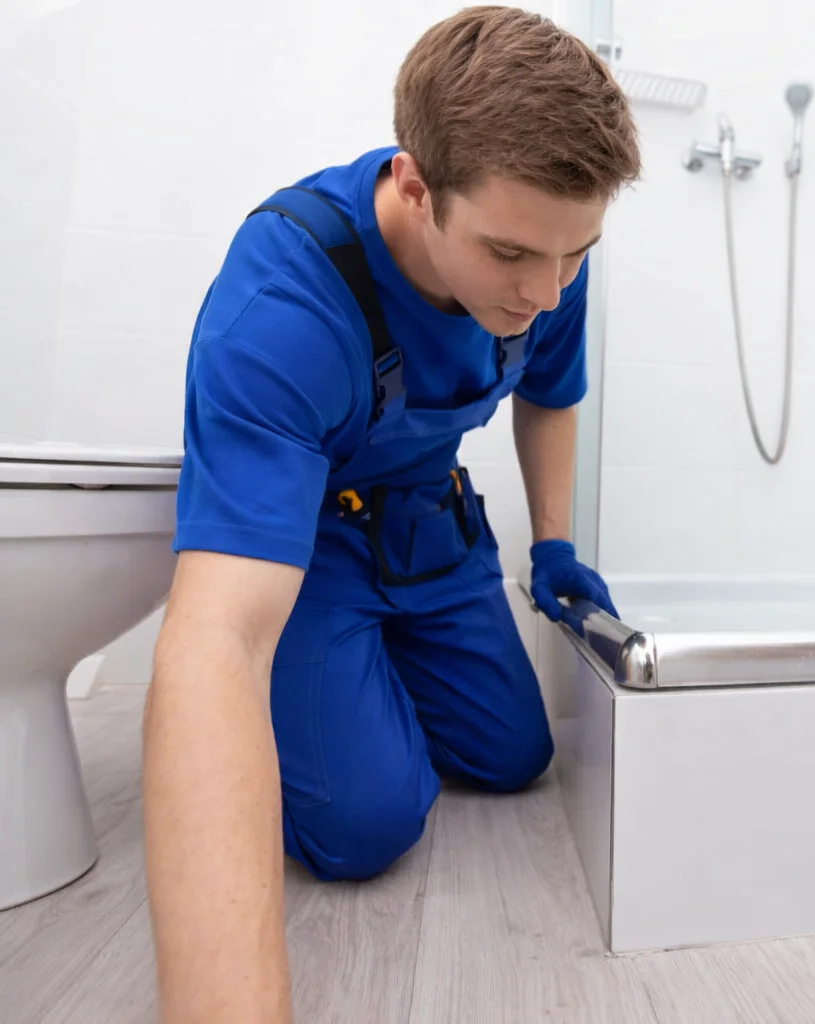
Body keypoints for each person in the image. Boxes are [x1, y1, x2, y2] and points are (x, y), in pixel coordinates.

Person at [141, 5, 641, 1021]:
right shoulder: (282, 307)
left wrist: (552, 542)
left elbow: (548, 388)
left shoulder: (546, 249)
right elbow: (216, 639)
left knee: (514, 758)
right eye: (510, 257)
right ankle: (337, 679)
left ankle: (356, 685)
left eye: (574, 256)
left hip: (427, 523)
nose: (544, 293)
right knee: (366, 827)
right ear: (417, 187)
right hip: (309, 538)